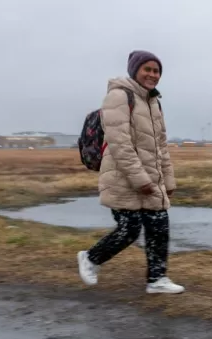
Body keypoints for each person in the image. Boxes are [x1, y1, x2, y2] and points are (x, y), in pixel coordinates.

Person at [77, 50, 184, 294]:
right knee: (130, 229)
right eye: (147, 69)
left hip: (150, 177)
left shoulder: (154, 101)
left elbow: (160, 146)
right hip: (123, 177)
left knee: (159, 225)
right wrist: (140, 179)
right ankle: (90, 258)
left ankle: (157, 279)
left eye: (156, 71)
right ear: (135, 70)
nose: (152, 75)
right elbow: (119, 143)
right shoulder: (119, 96)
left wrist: (168, 179)